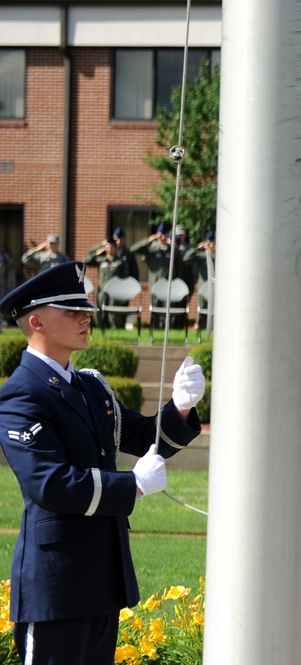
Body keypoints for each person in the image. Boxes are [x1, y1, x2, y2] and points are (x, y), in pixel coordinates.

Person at [0, 261, 205, 664]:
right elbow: (50, 483)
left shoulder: (91, 387)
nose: (86, 318)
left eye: (85, 310)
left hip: (102, 577)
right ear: (37, 322)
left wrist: (180, 406)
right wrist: (133, 485)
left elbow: (144, 437)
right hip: (56, 584)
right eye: (71, 312)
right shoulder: (21, 394)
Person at [83, 227, 140, 328]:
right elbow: (85, 260)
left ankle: (116, 331)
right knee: (101, 314)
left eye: (112, 247)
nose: (110, 249)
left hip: (116, 293)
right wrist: (100, 248)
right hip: (102, 292)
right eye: (108, 247)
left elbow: (127, 278)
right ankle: (102, 331)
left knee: (115, 317)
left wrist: (126, 294)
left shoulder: (121, 261)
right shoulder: (101, 260)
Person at [184, 230, 217, 334]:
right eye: (209, 242)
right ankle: (202, 328)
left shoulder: (221, 256)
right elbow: (186, 258)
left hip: (216, 287)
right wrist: (198, 247)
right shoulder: (202, 256)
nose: (211, 245)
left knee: (216, 309)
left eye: (214, 242)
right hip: (203, 285)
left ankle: (215, 328)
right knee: (203, 308)